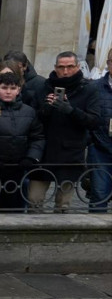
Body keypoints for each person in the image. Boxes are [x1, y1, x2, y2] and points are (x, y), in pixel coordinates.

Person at [36, 51, 100, 212]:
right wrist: (47, 108)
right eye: (61, 67)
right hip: (44, 151)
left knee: (63, 205)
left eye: (70, 67)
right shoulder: (45, 86)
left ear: (78, 67)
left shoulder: (88, 89)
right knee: (34, 200)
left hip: (71, 153)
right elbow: (34, 117)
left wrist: (70, 110)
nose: (65, 71)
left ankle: (59, 237)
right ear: (55, 68)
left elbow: (93, 121)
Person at [0, 68, 44, 209]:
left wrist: (31, 157)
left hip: (18, 168)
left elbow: (37, 137)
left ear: (18, 90)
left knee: (14, 207)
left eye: (12, 88)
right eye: (4, 88)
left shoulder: (29, 112)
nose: (8, 92)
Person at [89, 48, 112, 212]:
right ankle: (95, 235)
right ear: (108, 64)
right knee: (99, 193)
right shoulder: (95, 87)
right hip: (100, 148)